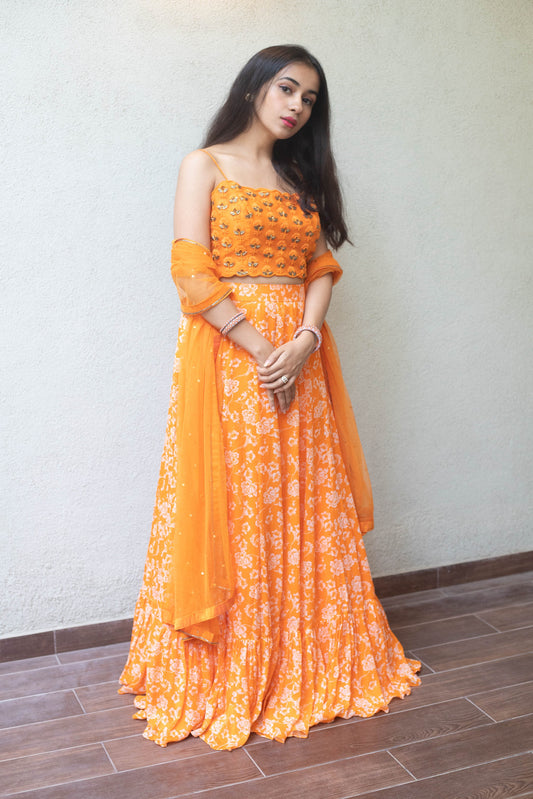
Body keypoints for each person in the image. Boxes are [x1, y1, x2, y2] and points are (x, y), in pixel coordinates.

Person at [119, 44, 420, 751]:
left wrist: (306, 339)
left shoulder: (297, 174)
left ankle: (308, 650)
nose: (295, 106)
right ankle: (237, 661)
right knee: (244, 502)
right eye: (286, 88)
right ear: (254, 86)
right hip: (235, 358)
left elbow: (320, 264)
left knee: (304, 500)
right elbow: (190, 269)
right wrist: (263, 350)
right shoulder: (206, 164)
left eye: (309, 99)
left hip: (300, 359)